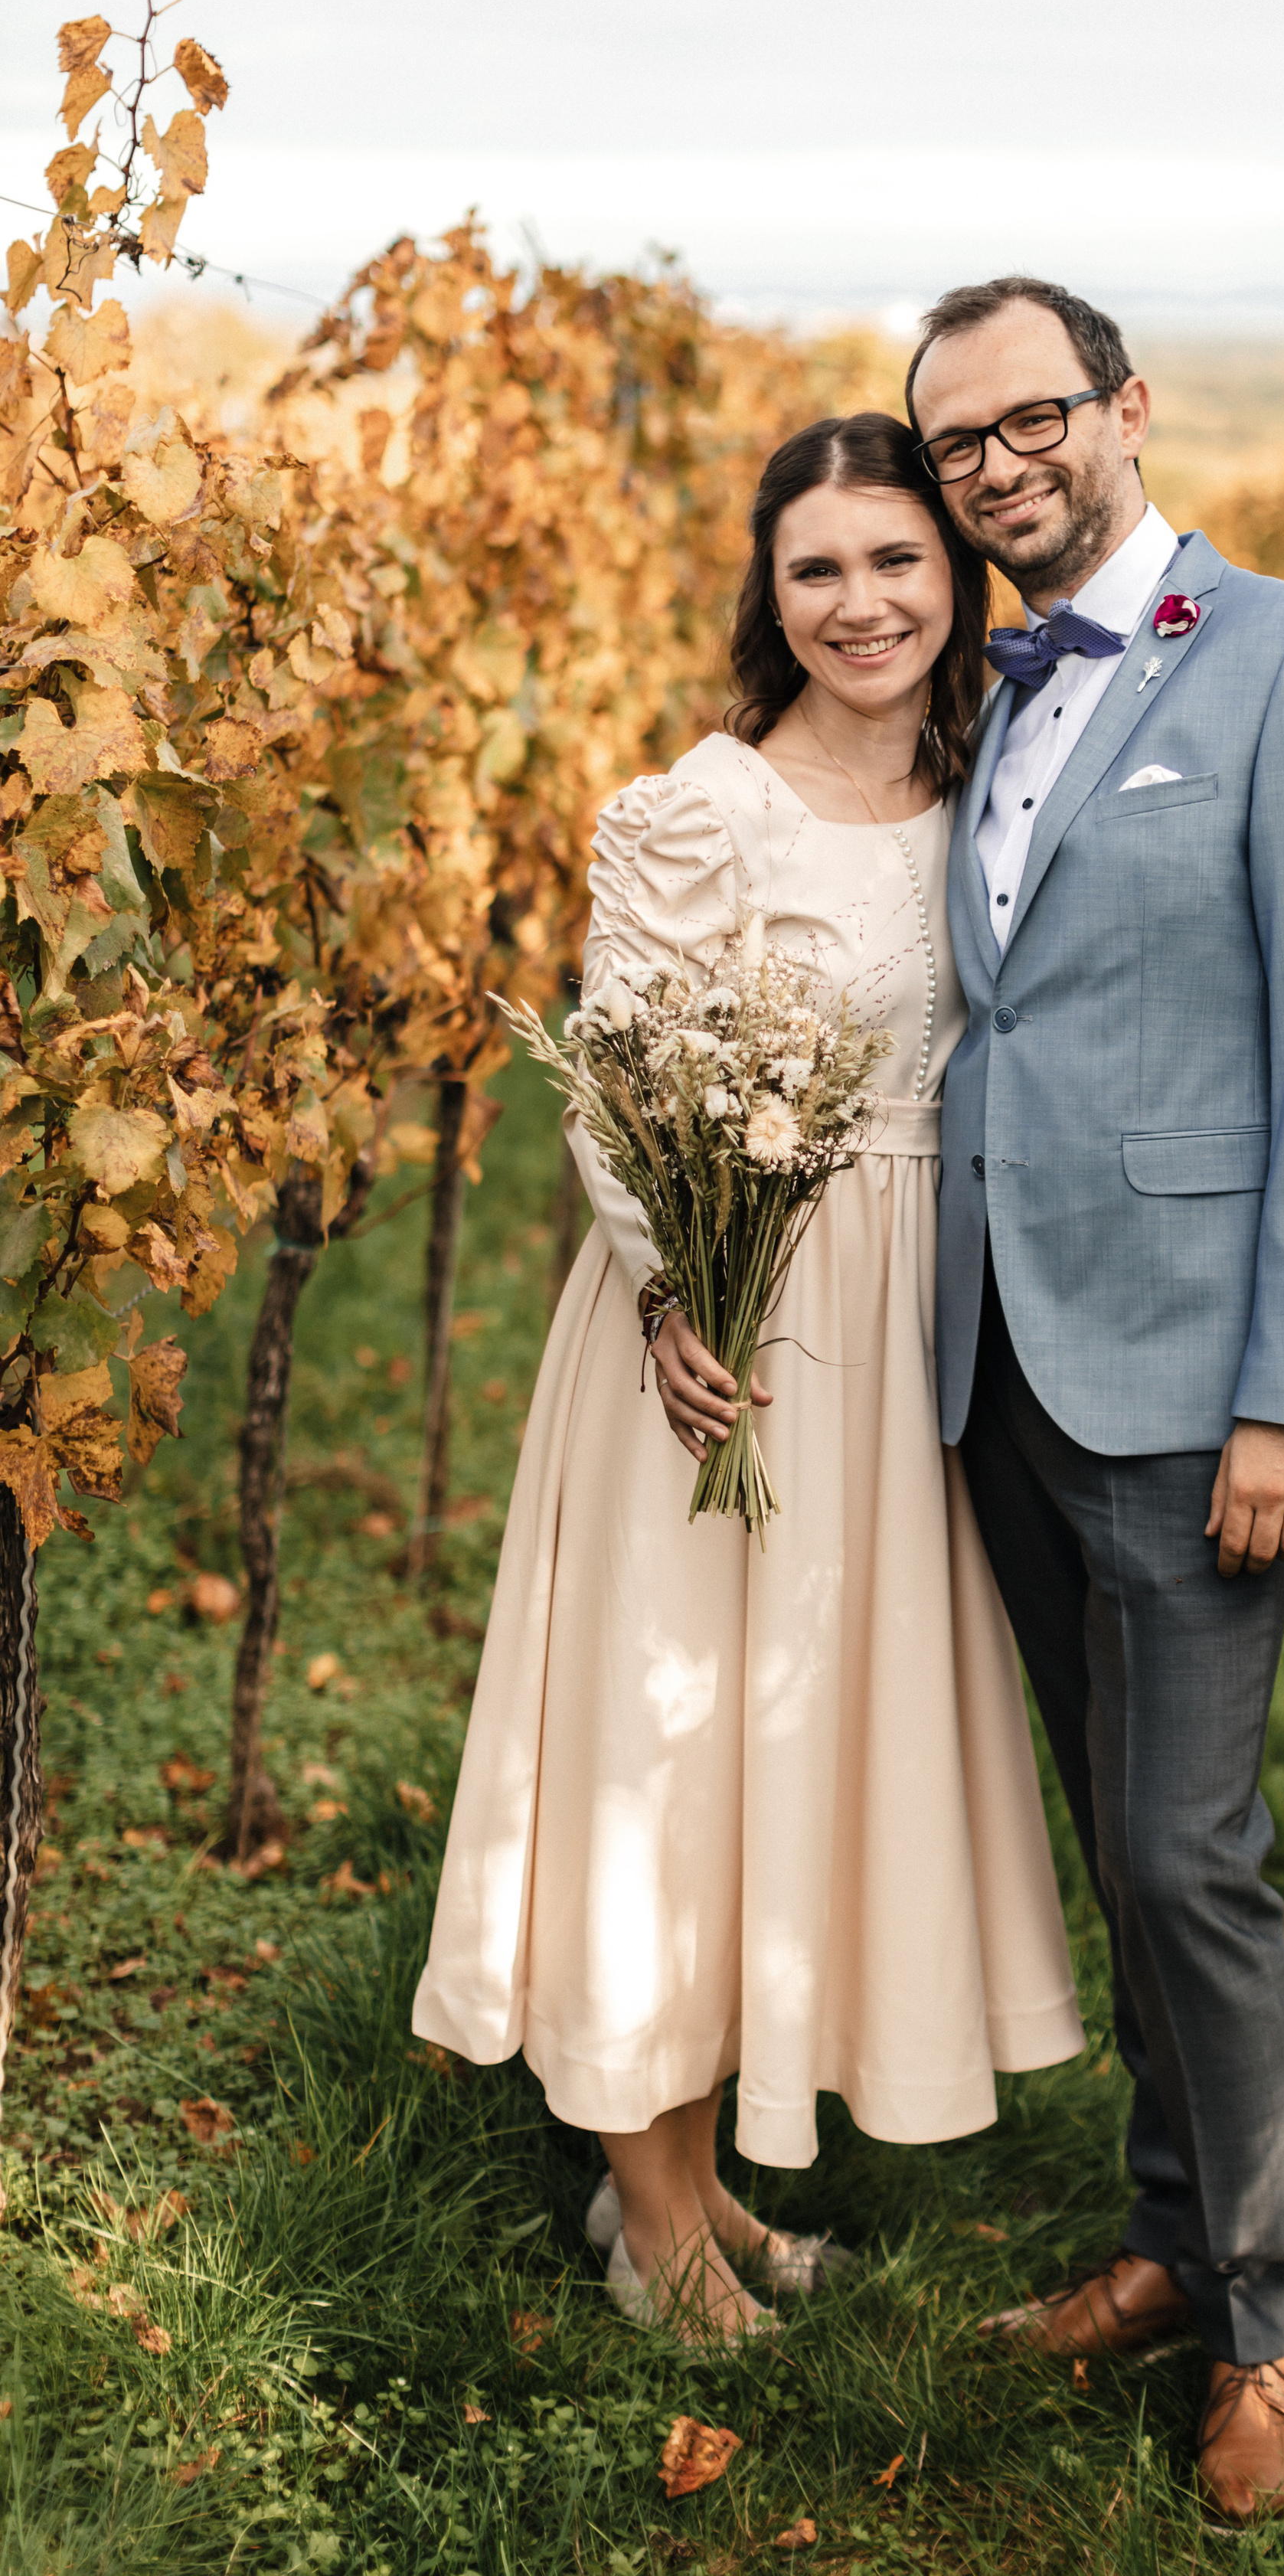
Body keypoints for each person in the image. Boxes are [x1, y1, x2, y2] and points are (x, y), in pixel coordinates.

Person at [411, 410, 1084, 2345]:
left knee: (785, 1748)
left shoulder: (992, 790)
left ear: (952, 576)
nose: (860, 602)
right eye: (817, 569)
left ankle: (694, 2195)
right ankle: (656, 2222)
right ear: (766, 596)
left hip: (906, 1345)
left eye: (895, 560)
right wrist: (670, 1293)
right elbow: (622, 1097)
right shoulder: (698, 806)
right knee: (671, 1744)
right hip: (727, 1331)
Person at [910, 279, 1284, 2520]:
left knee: (1193, 1855)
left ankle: (1278, 2325)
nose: (998, 466)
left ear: (1126, 407)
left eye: (1033, 419)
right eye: (956, 446)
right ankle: (1159, 2238)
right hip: (1002, 1358)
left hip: (1200, 1376)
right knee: (1113, 1837)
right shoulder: (986, 692)